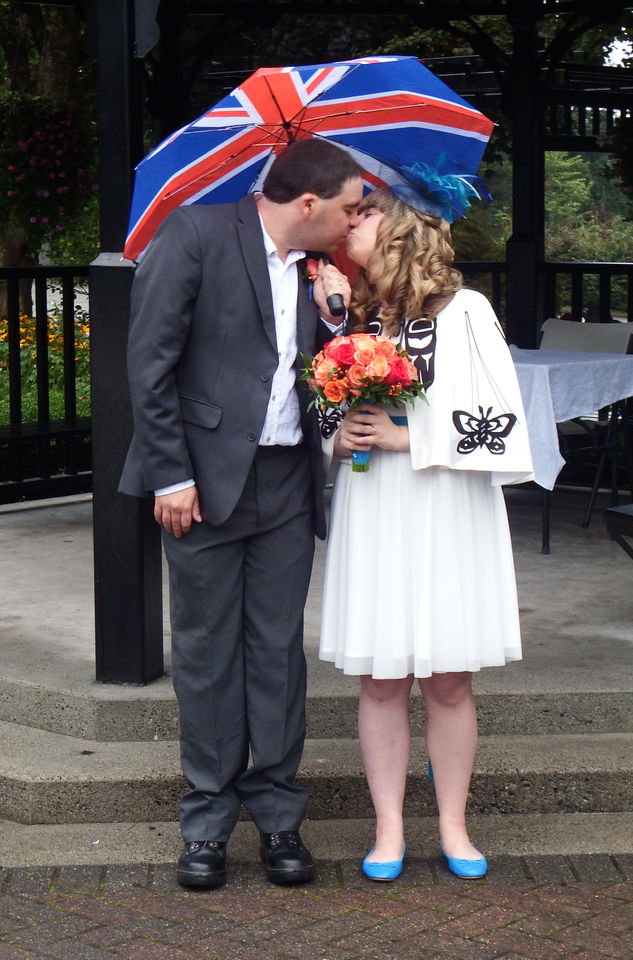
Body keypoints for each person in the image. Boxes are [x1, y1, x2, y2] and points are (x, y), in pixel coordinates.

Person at [118, 138, 365, 890]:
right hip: (202, 485)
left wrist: (337, 318)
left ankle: (281, 820)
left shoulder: (325, 277)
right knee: (204, 654)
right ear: (308, 204)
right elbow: (149, 362)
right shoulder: (194, 234)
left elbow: (332, 378)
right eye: (353, 208)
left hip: (289, 485)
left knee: (276, 652)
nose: (360, 222)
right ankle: (206, 827)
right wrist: (169, 474)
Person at [315, 183, 533, 882]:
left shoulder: (466, 312)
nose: (349, 222)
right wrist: (339, 431)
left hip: (444, 509)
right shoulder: (352, 317)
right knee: (381, 681)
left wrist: (411, 437)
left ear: (403, 225)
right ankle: (387, 829)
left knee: (446, 682)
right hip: (375, 509)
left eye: (365, 211)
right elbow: (319, 418)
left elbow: (502, 425)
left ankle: (453, 825)